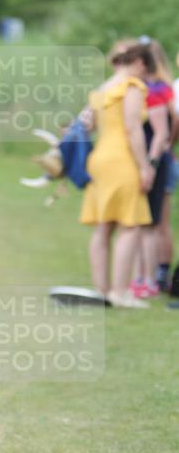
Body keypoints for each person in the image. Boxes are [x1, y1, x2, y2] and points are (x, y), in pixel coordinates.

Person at [79, 40, 155, 308]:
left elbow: (86, 124)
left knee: (103, 227)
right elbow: (133, 129)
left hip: (99, 158)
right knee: (129, 225)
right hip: (122, 159)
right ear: (138, 62)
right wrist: (145, 166)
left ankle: (101, 289)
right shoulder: (131, 87)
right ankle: (119, 292)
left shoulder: (102, 88)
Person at [130, 38, 175, 298]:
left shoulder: (155, 90)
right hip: (150, 159)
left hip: (154, 160)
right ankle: (143, 277)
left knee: (151, 222)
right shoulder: (147, 88)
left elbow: (163, 130)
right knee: (142, 222)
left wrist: (153, 161)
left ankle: (150, 279)